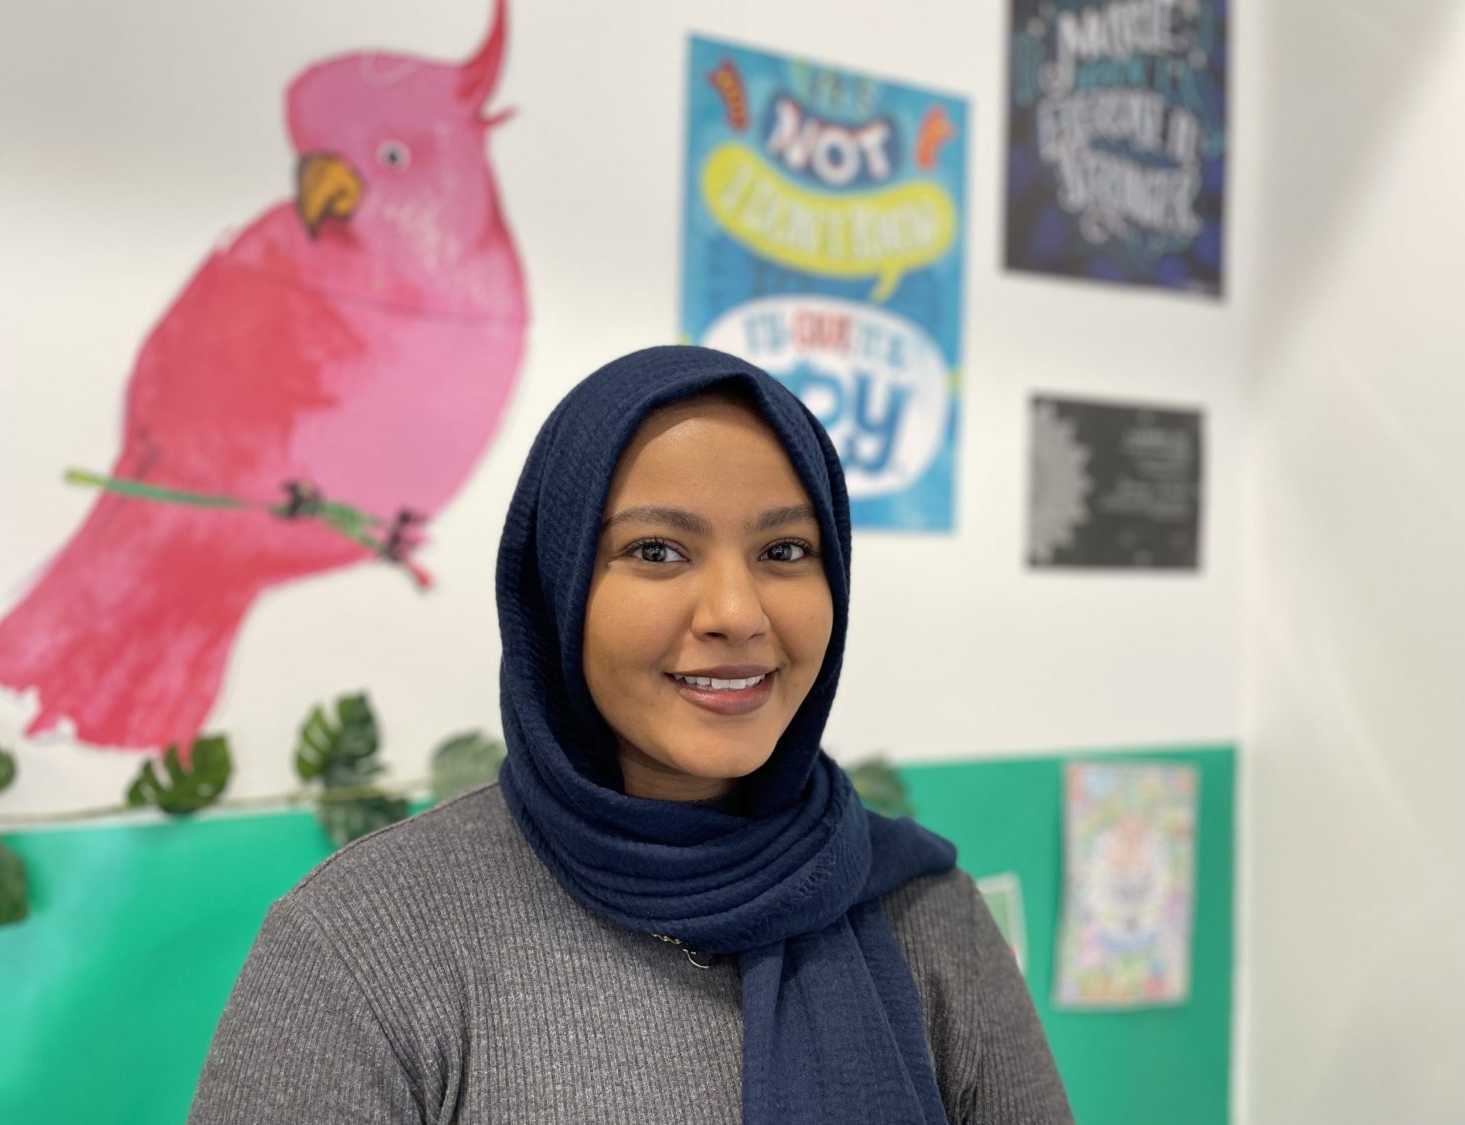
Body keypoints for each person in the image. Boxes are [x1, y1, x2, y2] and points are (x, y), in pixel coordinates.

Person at [188, 345, 1073, 1124]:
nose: (737, 612)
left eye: (785, 551)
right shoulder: (367, 946)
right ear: (558, 588)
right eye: (657, 551)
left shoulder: (921, 909)